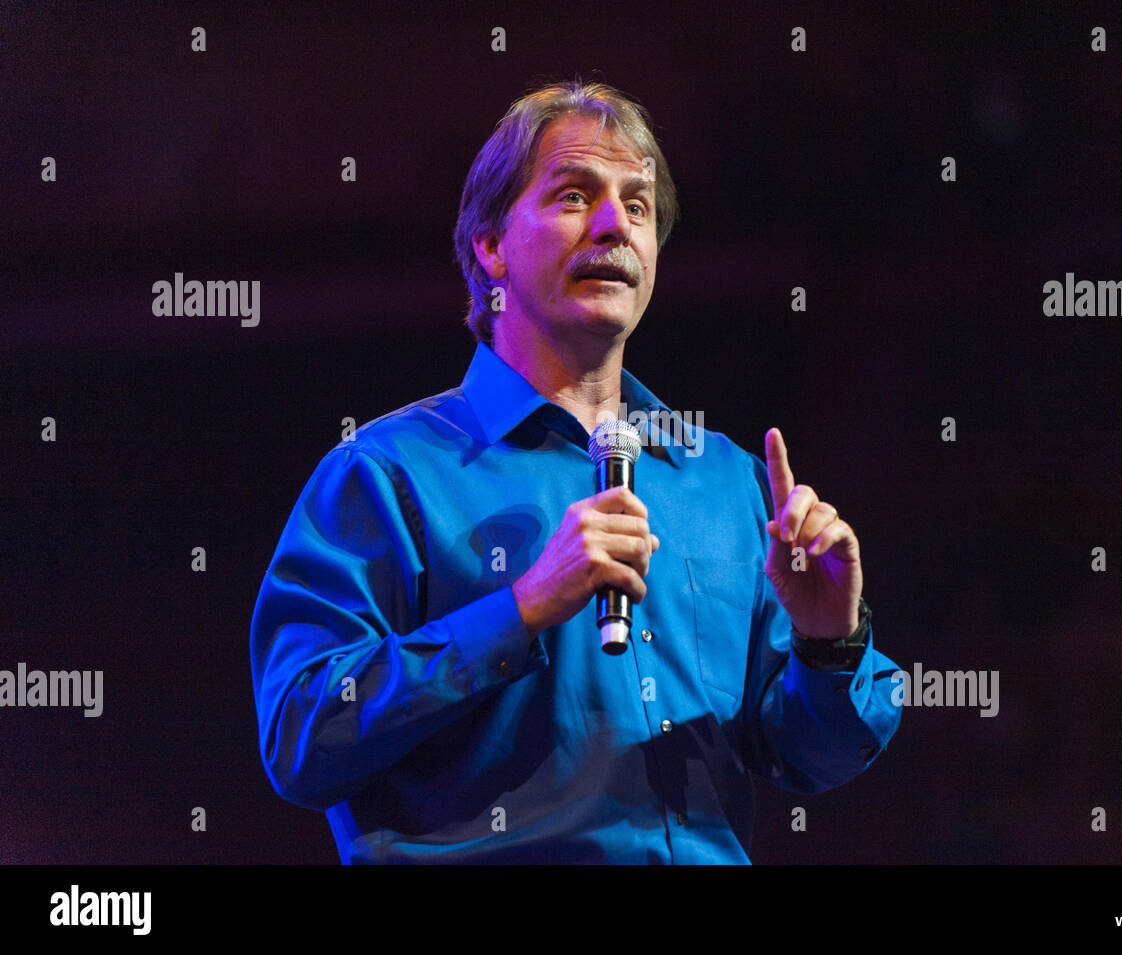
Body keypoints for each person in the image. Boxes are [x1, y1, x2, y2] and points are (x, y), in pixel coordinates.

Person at [249, 80, 902, 864]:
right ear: (490, 245)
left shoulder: (724, 480)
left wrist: (828, 641)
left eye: (638, 206)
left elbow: (810, 752)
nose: (613, 225)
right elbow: (302, 732)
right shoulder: (388, 475)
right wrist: (519, 608)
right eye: (573, 196)